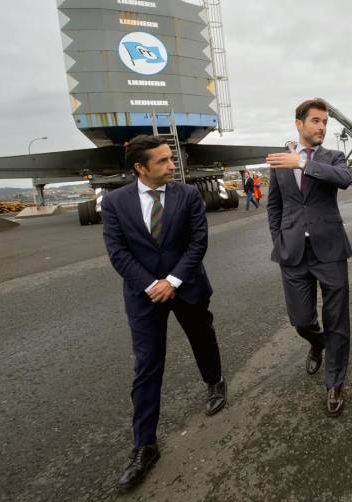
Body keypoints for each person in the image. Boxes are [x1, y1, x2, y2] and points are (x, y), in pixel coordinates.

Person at [101, 135, 226, 491]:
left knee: (202, 338)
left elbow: (198, 242)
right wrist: (152, 285)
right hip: (144, 296)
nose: (172, 166)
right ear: (140, 168)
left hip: (186, 286)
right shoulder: (114, 203)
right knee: (147, 365)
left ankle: (215, 381)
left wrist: (172, 280)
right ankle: (144, 446)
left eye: (171, 158)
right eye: (163, 161)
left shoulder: (187, 195)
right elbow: (118, 252)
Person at [265, 99, 352, 417]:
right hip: (293, 251)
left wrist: (301, 163)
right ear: (299, 123)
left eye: (324, 122)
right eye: (315, 121)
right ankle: (317, 343)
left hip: (329, 249)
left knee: (337, 319)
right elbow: (275, 206)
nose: (321, 127)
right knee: (301, 320)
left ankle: (335, 383)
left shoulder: (333, 157)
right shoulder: (280, 161)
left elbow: (343, 179)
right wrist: (279, 238)